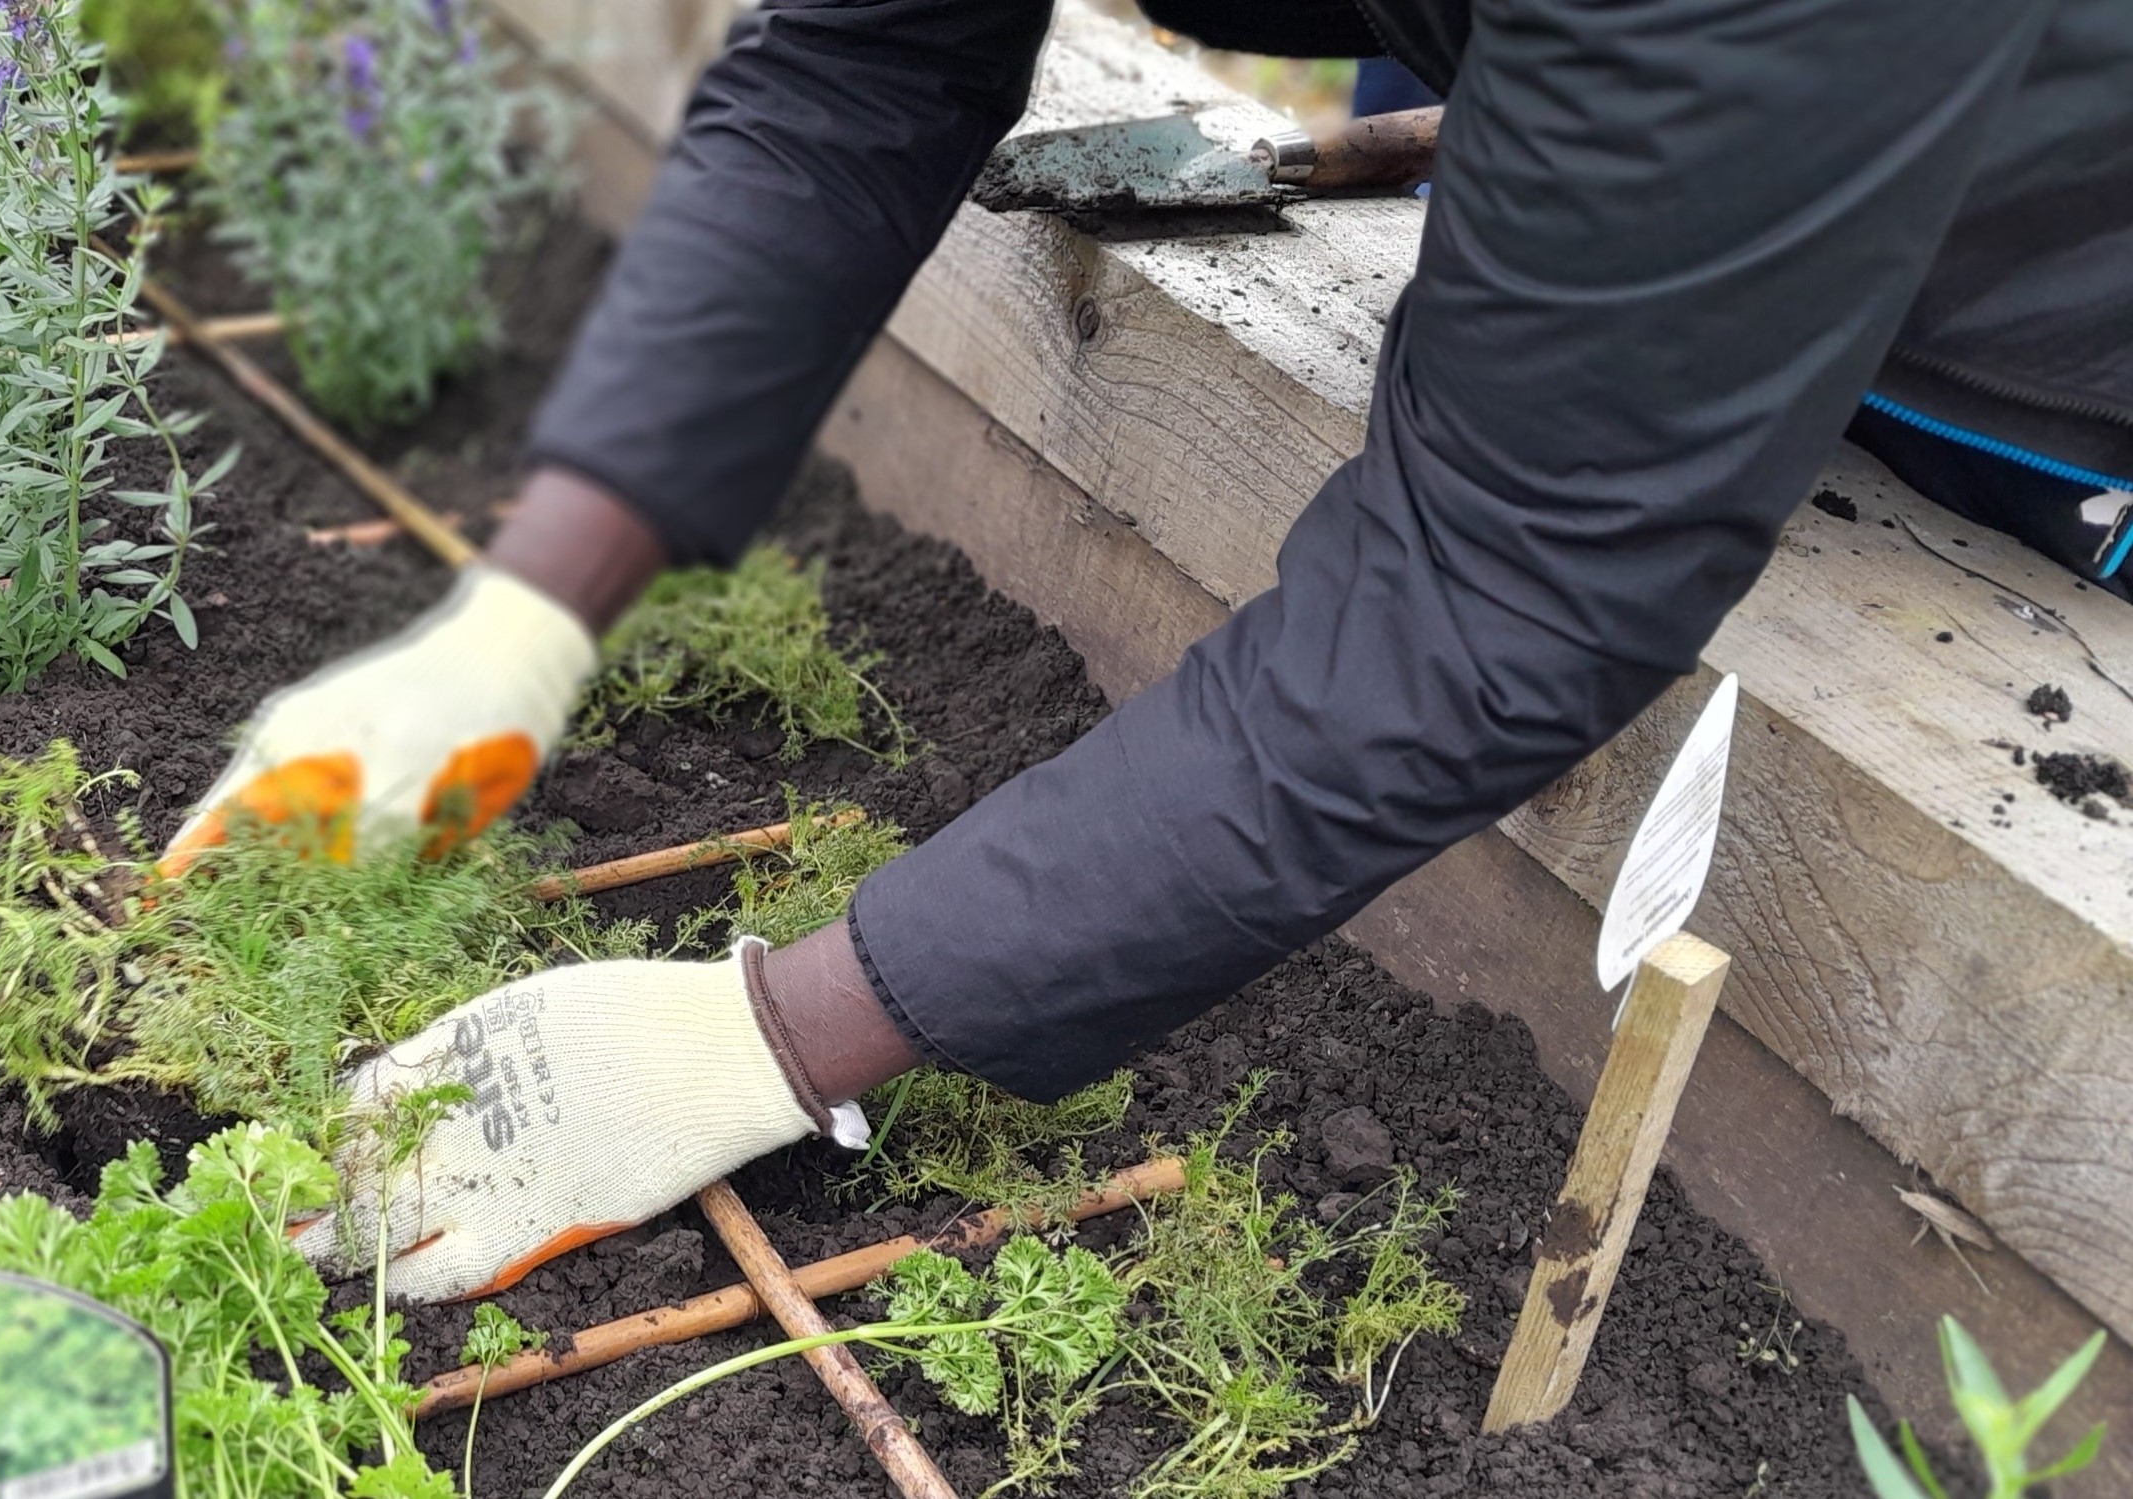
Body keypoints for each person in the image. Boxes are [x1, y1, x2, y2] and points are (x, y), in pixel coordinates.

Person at [188, 0, 2133, 1303]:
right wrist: (518, 614)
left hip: (2034, 330)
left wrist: (769, 1034)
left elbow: (1502, 588)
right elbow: (860, 69)